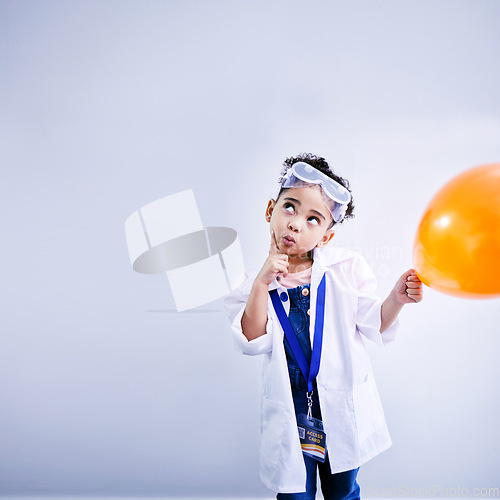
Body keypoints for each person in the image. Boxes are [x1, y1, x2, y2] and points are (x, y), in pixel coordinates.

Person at [224, 153, 423, 499]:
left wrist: (397, 299)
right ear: (270, 209)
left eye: (313, 219)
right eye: (290, 207)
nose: (296, 223)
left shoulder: (346, 269)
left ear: (326, 238)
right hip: (293, 411)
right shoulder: (251, 284)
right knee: (295, 495)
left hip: (339, 405)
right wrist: (261, 284)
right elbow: (251, 339)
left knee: (343, 492)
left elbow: (374, 321)